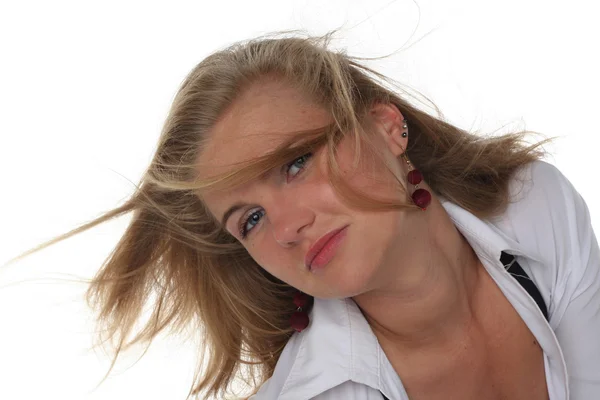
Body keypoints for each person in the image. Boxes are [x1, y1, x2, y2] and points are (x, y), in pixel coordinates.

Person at [8, 31, 599, 399]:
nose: (287, 227)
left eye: (294, 164)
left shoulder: (535, 206)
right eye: (251, 220)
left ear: (386, 127)